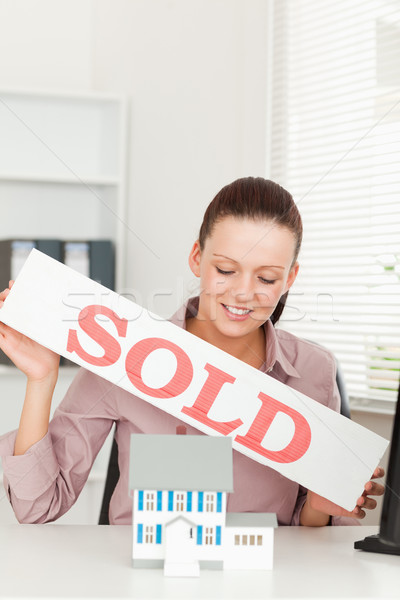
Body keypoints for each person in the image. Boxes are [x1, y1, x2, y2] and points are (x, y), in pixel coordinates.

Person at [0, 177, 384, 526]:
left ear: (290, 278)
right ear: (197, 258)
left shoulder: (314, 371)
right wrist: (41, 380)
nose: (243, 292)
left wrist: (320, 507)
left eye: (266, 278)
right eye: (226, 270)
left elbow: (314, 528)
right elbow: (37, 507)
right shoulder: (123, 353)